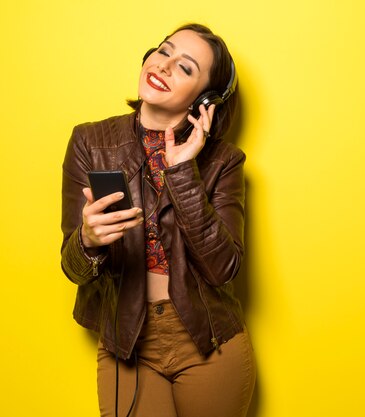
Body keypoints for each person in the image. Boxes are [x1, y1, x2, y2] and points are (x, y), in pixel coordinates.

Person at [60, 23, 256, 417]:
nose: (164, 66)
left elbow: (224, 270)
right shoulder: (89, 142)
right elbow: (72, 267)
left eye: (185, 68)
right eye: (164, 51)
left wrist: (183, 171)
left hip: (209, 341)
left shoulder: (223, 162)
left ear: (205, 100)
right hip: (126, 340)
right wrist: (88, 240)